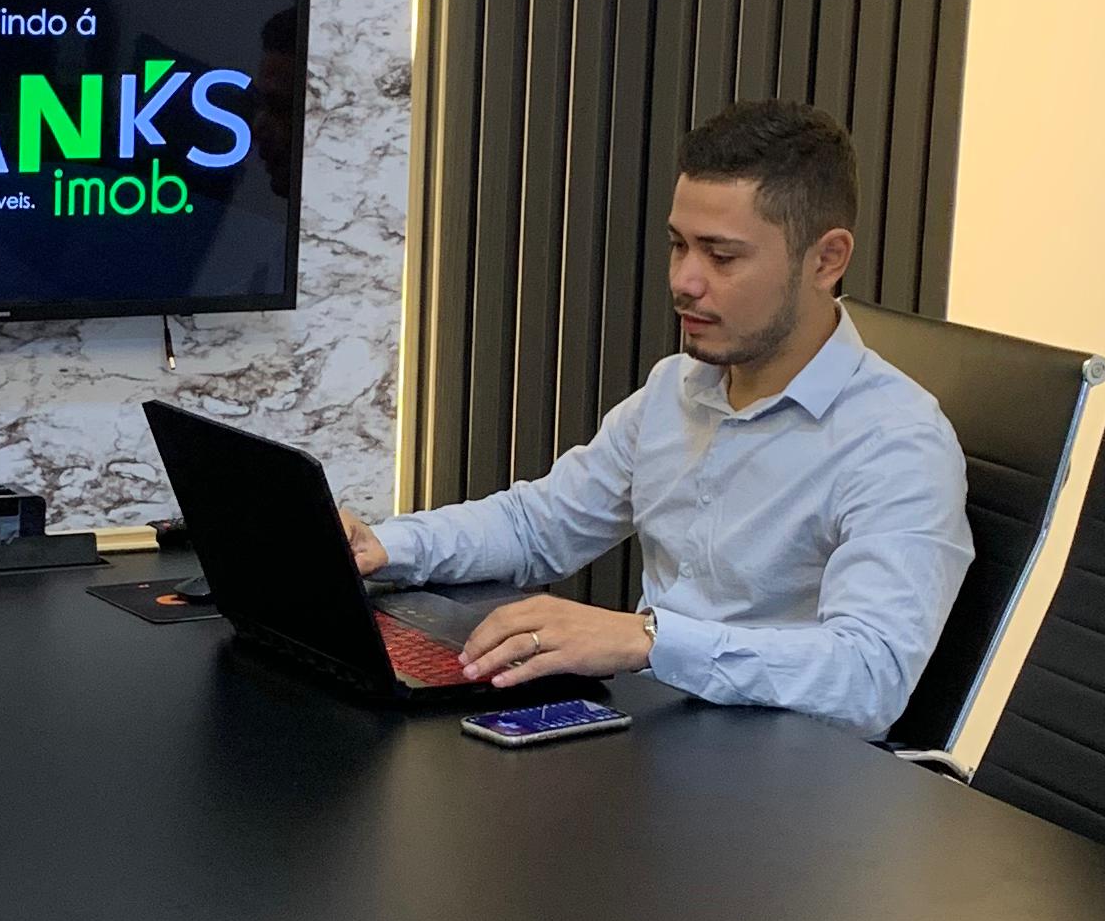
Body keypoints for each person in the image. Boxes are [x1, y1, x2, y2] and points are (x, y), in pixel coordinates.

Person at [349, 101, 970, 733]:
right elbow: (540, 526)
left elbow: (871, 676)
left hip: (791, 783)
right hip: (661, 732)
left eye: (721, 257)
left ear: (826, 260)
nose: (685, 281)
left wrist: (648, 639)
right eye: (679, 246)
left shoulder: (899, 443)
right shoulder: (678, 388)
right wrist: (386, 546)